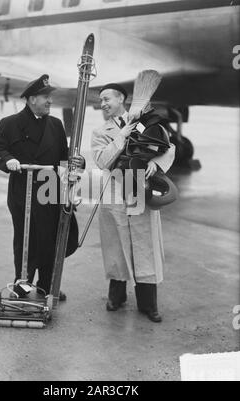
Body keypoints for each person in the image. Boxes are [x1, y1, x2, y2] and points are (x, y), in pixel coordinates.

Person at [0, 74, 84, 300]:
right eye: (45, 96)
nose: (50, 101)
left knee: (49, 240)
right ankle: (22, 285)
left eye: (49, 97)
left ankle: (47, 287)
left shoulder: (56, 125)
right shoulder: (10, 124)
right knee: (24, 240)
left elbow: (63, 158)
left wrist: (77, 163)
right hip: (23, 192)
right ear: (31, 99)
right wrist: (7, 159)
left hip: (49, 192)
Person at [91, 83, 175, 322]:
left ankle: (148, 304)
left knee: (144, 243)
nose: (103, 104)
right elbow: (102, 161)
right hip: (115, 191)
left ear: (122, 99)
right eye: (101, 101)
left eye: (107, 99)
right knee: (116, 243)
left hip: (140, 189)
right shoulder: (100, 132)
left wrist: (155, 163)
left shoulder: (145, 121)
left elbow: (169, 147)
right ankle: (116, 297)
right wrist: (122, 135)